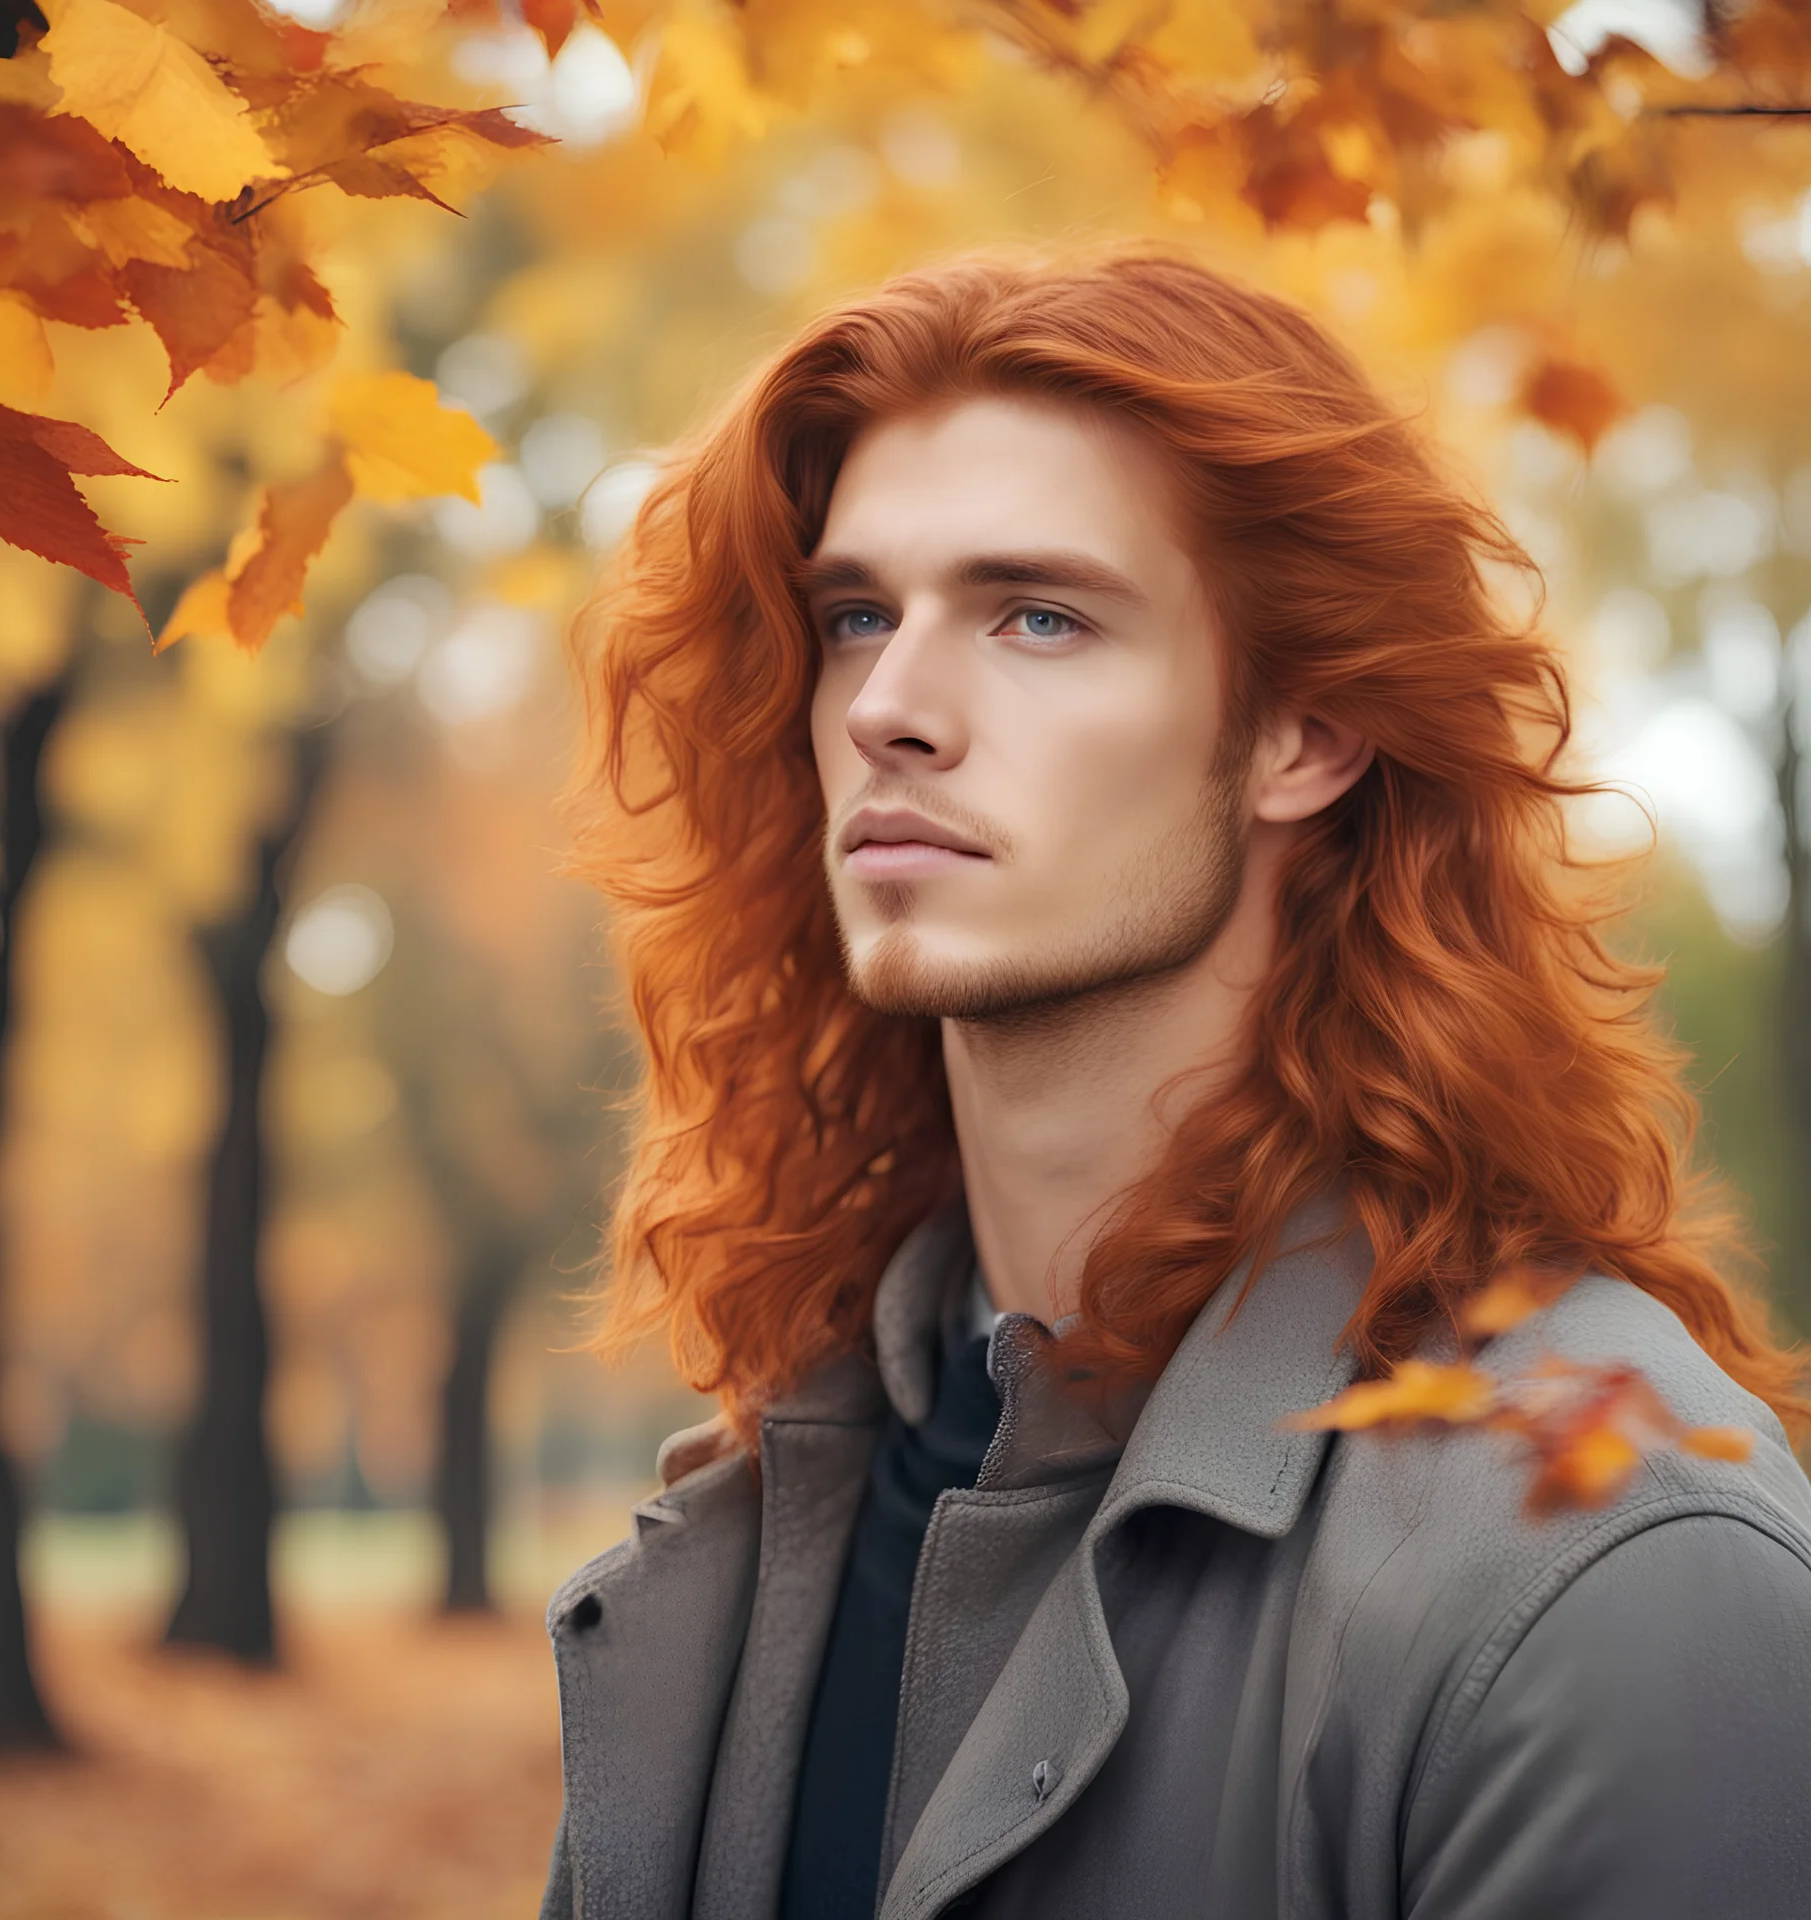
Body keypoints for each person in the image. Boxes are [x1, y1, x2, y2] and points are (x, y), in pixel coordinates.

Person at [538, 246, 1811, 1920]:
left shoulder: (1604, 1566)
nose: (893, 709)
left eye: (1038, 616)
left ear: (1305, 733)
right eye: (858, 617)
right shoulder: (789, 1482)